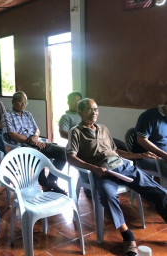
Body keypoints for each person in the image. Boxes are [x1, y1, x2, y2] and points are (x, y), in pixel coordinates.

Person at [66, 98, 167, 256]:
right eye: (89, 109)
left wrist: (139, 154)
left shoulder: (104, 129)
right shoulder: (76, 132)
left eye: (96, 109)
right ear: (80, 112)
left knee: (157, 190)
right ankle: (127, 235)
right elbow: (70, 157)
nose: (94, 112)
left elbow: (117, 152)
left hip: (123, 167)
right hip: (103, 172)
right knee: (107, 196)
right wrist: (94, 168)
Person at [2, 91, 67, 194]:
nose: (23, 104)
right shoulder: (7, 115)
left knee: (64, 152)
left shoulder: (28, 114)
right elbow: (12, 134)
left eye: (25, 102)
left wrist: (36, 137)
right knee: (37, 156)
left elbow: (37, 129)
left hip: (37, 143)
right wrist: (31, 142)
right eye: (20, 101)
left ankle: (51, 180)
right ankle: (44, 184)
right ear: (13, 102)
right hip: (21, 147)